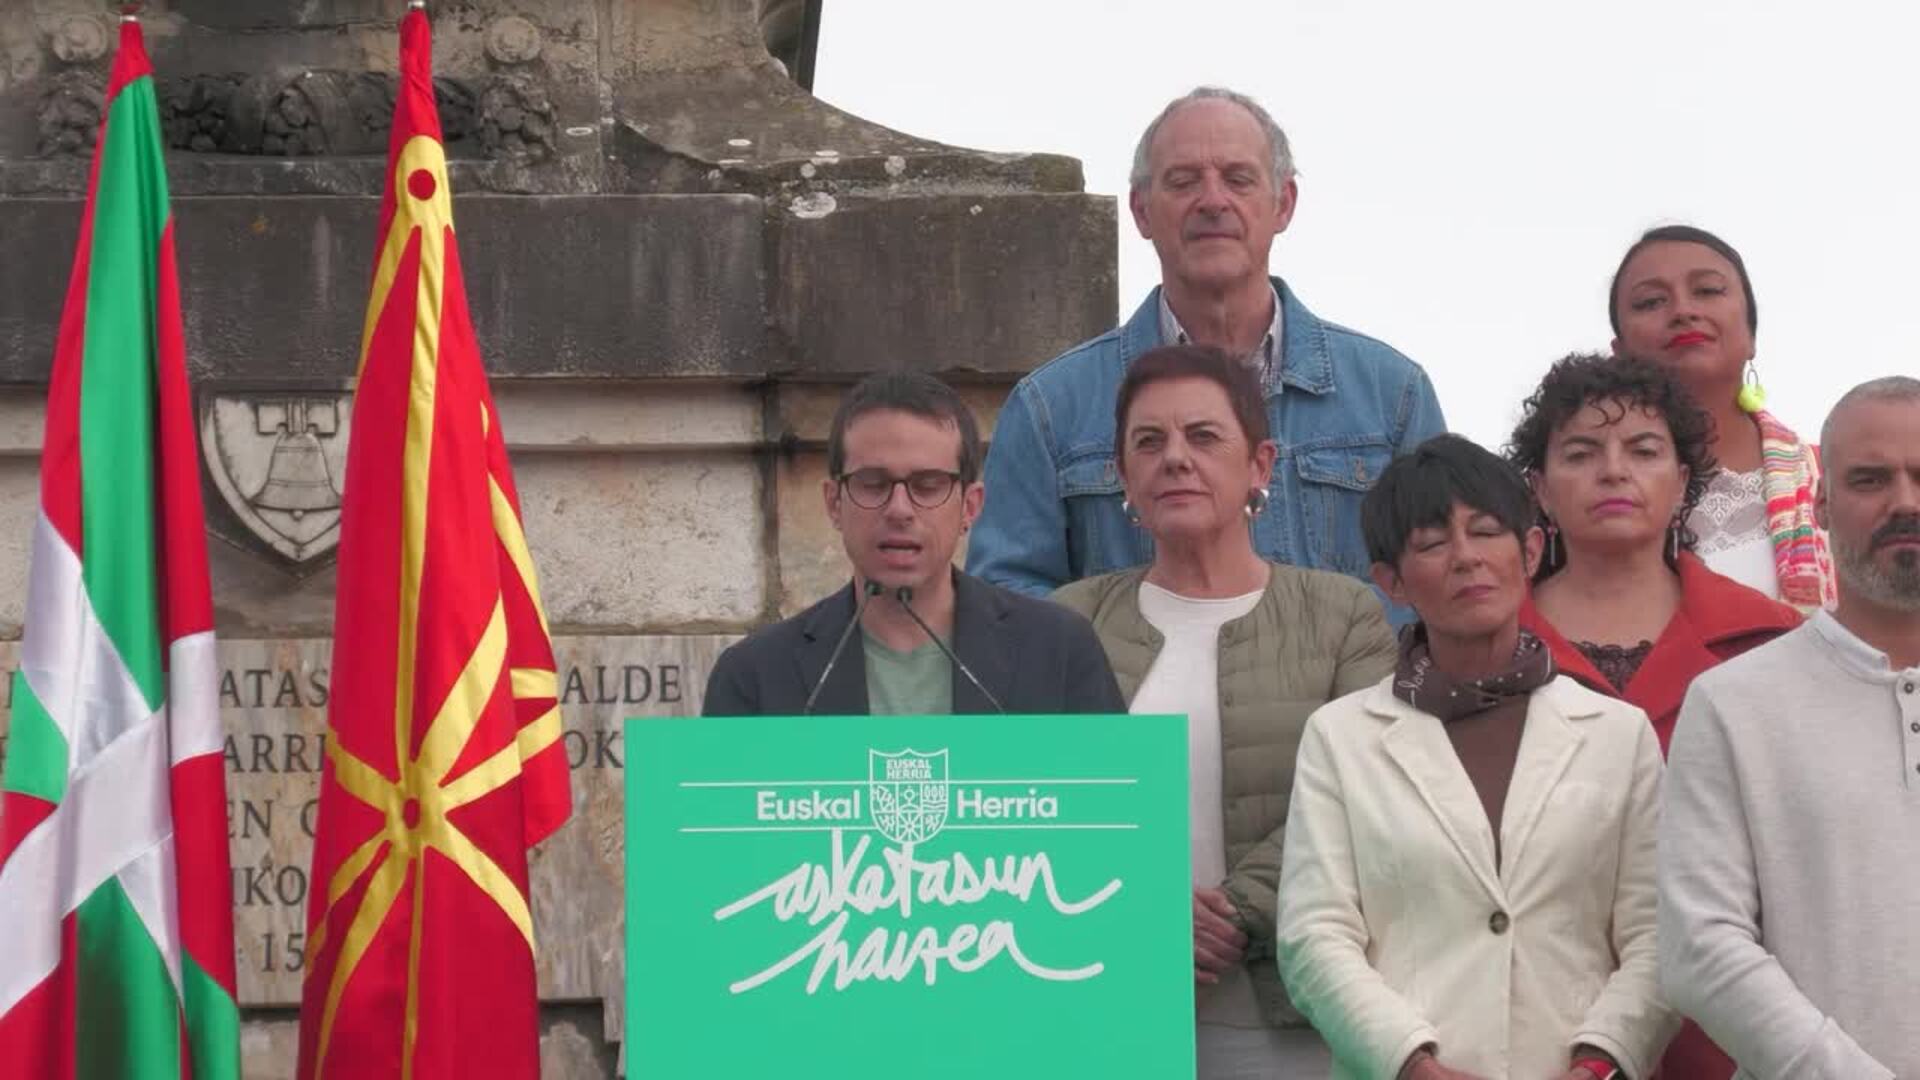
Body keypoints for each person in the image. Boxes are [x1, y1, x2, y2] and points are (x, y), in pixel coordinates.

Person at [1277, 435, 1678, 1080]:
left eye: (1487, 532)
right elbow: (1313, 936)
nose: (1466, 558)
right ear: (1391, 581)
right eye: (1432, 543)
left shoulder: (1617, 733)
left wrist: (1601, 1061)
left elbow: (1659, 934)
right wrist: (1409, 1062)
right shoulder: (1341, 737)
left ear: (1531, 550)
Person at [1050, 344, 1396, 1078]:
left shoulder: (1343, 616)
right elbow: (1034, 799)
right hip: (1100, 1003)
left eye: (1204, 436)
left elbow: (1369, 792)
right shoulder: (1068, 621)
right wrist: (1145, 907)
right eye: (1149, 442)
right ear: (1123, 476)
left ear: (1261, 464)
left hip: (1292, 1014)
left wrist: (1233, 912)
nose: (1175, 458)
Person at [968, 86, 1445, 603]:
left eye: (1238, 179)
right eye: (1183, 181)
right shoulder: (1050, 409)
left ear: (1283, 204)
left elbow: (1440, 586)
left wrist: (1353, 649)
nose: (1213, 201)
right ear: (1141, 210)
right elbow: (1002, 599)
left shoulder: (1392, 397)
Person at [1507, 353, 1799, 1078]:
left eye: (1643, 451)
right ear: (1539, 488)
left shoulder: (1772, 640)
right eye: (1581, 453)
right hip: (1529, 1028)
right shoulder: (1477, 651)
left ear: (1683, 481)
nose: (1613, 471)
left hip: (1729, 1033)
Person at [1659, 376, 1920, 1079]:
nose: (1905, 501)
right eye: (1871, 479)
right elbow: (1700, 946)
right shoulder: (1733, 704)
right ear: (1821, 504)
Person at [701, 372, 1124, 717]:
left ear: (970, 506)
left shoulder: (1058, 652)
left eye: (928, 485)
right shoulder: (755, 675)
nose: (899, 509)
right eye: (872, 483)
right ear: (834, 503)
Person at [1608, 225, 1834, 610]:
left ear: (1751, 336)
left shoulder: (1835, 480)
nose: (1683, 311)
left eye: (1708, 290)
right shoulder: (1571, 499)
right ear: (1619, 352)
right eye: (1651, 302)